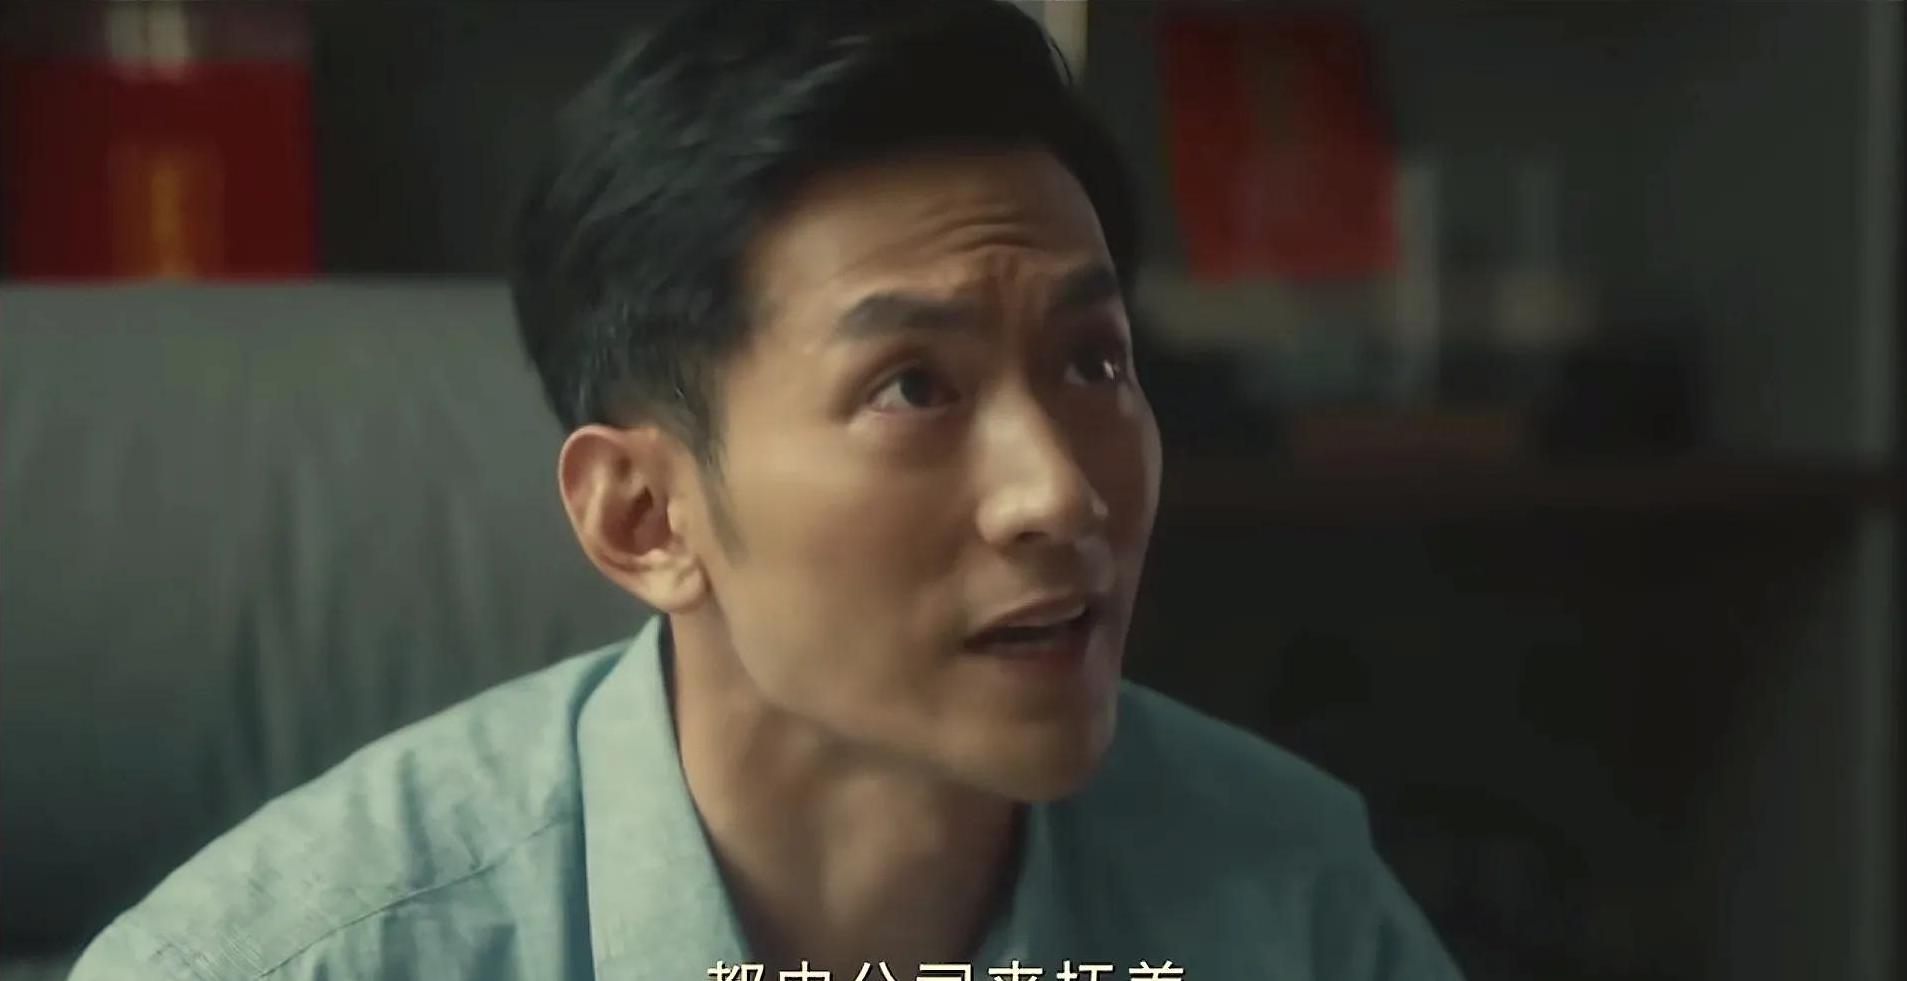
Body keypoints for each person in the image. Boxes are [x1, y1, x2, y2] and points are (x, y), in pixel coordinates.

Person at [71, 1, 1463, 978]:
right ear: (645, 517)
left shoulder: (1288, 901)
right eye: (913, 387)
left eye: (1093, 362)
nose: (1058, 492)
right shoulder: (299, 958)